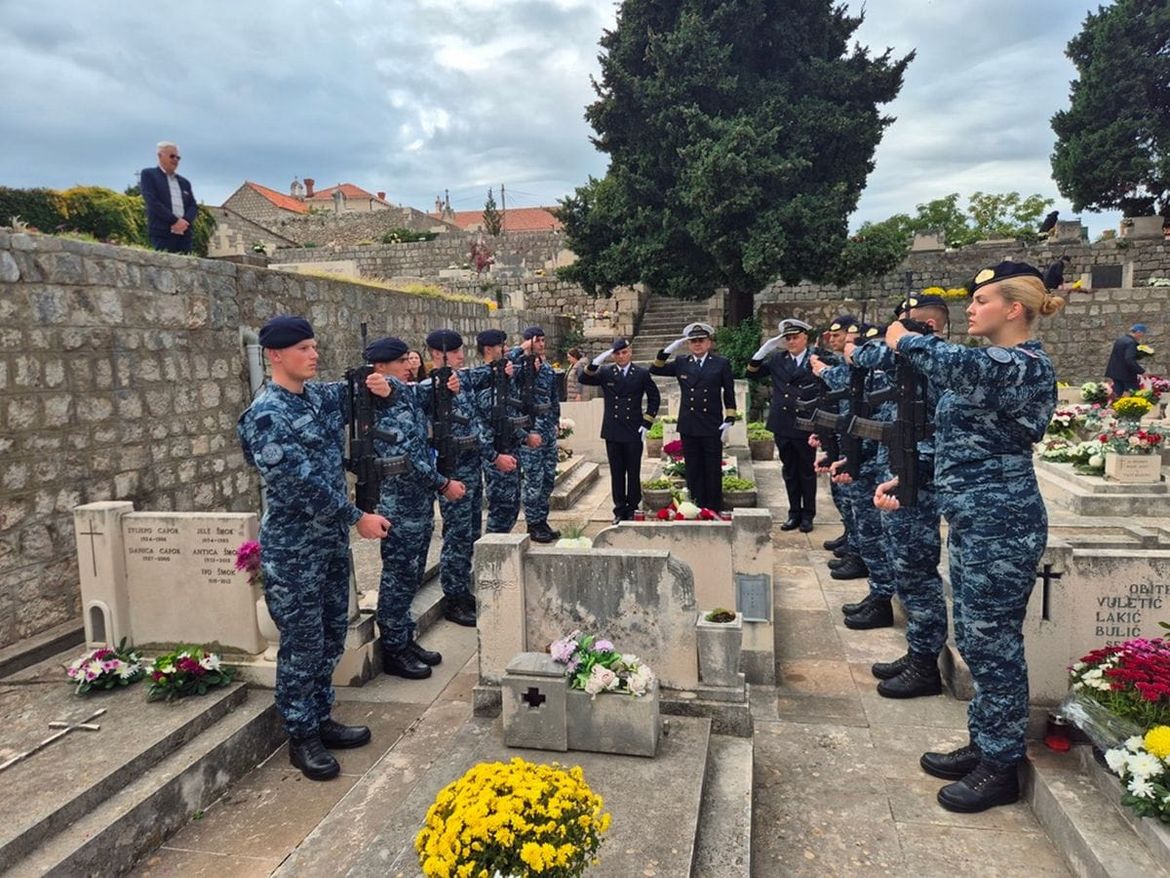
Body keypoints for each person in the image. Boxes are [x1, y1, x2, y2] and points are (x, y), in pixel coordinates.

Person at [879, 261, 1064, 812]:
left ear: (1014, 308)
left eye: (982, 300)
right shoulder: (991, 366)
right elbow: (963, 444)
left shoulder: (1024, 365)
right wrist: (909, 478)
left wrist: (906, 338)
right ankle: (986, 743)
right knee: (978, 640)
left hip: (1002, 523)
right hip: (973, 519)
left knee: (993, 643)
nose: (972, 309)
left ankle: (1001, 767)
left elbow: (957, 365)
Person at [236, 315, 391, 781]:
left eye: (314, 346)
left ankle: (321, 717)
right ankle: (301, 735)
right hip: (294, 549)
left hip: (328, 545)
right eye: (303, 348)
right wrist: (356, 517)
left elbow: (355, 391)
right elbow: (297, 483)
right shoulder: (267, 414)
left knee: (329, 636)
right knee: (301, 644)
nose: (314, 354)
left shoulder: (315, 397)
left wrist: (378, 384)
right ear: (275, 355)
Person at [850, 294, 949, 696]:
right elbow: (865, 357)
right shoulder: (911, 360)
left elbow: (865, 355)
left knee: (917, 573)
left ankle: (925, 666)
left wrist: (895, 341)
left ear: (929, 328)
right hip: (902, 471)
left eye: (904, 326)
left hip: (919, 479)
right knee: (905, 569)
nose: (894, 334)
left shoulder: (937, 362)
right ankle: (917, 652)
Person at [366, 336, 465, 679]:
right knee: (398, 577)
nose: (409, 366)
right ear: (380, 367)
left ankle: (405, 639)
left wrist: (449, 383)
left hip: (417, 504)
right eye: (401, 362)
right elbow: (407, 461)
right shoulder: (379, 404)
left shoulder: (403, 394)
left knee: (411, 574)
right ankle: (394, 649)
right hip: (399, 506)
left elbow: (430, 391)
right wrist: (443, 484)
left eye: (409, 360)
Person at [418, 329, 489, 628]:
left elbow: (474, 421)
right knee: (456, 536)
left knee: (470, 532)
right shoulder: (427, 388)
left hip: (471, 468)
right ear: (438, 354)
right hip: (451, 472)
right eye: (455, 351)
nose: (461, 355)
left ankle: (462, 589)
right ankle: (453, 598)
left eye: (461, 350)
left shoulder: (463, 381)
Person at [650, 322, 737, 511]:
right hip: (689, 423)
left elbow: (729, 391)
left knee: (712, 468)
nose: (697, 344)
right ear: (688, 344)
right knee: (693, 467)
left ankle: (713, 507)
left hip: (712, 423)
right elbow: (656, 368)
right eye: (693, 341)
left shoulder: (720, 363)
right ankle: (696, 506)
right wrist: (670, 349)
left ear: (709, 343)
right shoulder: (682, 362)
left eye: (701, 340)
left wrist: (729, 417)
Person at [579, 338, 661, 523]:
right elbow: (583, 378)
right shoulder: (606, 372)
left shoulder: (641, 373)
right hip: (613, 430)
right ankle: (619, 510)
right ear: (613, 356)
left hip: (633, 429)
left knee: (633, 471)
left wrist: (647, 422)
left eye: (624, 352)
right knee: (616, 473)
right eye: (617, 353)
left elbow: (654, 398)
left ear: (630, 352)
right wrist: (597, 361)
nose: (621, 356)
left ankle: (632, 507)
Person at [748, 319, 818, 531]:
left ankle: (808, 515)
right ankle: (794, 512)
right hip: (782, 423)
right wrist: (762, 351)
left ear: (805, 337)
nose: (791, 342)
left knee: (806, 471)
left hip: (805, 423)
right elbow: (752, 373)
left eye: (795, 337)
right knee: (789, 470)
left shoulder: (817, 358)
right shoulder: (778, 359)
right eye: (788, 338)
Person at [470, 329, 536, 534]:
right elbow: (488, 421)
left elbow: (511, 413)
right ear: (489, 349)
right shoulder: (483, 380)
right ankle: (493, 547)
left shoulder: (503, 377)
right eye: (501, 346)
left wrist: (524, 436)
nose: (505, 349)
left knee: (512, 506)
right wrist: (495, 455)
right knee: (501, 508)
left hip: (511, 448)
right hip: (497, 451)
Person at [511, 326, 561, 543]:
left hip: (547, 430)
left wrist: (556, 421)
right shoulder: (518, 367)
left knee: (548, 478)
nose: (541, 344)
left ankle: (542, 519)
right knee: (534, 479)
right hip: (530, 432)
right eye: (536, 340)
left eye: (542, 340)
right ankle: (533, 523)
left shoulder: (547, 369)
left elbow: (554, 397)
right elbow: (503, 366)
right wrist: (521, 349)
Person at [818, 313, 859, 553]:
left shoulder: (854, 362)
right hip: (842, 435)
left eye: (837, 335)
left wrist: (824, 372)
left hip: (856, 439)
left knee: (854, 498)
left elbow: (848, 385)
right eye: (830, 336)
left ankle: (856, 547)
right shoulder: (841, 361)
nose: (832, 340)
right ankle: (849, 535)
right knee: (842, 495)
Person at [140, 141, 198, 253]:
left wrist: (185, 221)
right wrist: (174, 221)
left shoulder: (185, 182)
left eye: (178, 157)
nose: (175, 159)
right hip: (162, 233)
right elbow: (152, 201)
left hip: (184, 234)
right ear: (160, 156)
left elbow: (193, 205)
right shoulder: (149, 175)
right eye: (172, 156)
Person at [1105, 323, 1148, 396]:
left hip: (1115, 372)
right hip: (1127, 374)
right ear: (1138, 332)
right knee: (1135, 395)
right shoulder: (1131, 343)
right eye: (1142, 334)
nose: (1142, 336)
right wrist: (1141, 371)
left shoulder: (1120, 339)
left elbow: (1120, 355)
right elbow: (1129, 359)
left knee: (1117, 395)